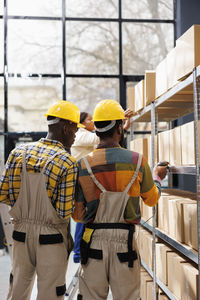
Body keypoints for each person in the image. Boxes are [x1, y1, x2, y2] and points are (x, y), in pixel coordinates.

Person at [72, 99, 167, 300]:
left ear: (96, 129)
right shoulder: (137, 161)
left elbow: (78, 215)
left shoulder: (82, 165)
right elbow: (151, 199)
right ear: (119, 128)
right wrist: (158, 177)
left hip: (92, 244)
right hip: (125, 244)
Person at [0, 100, 82, 300]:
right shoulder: (67, 162)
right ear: (65, 128)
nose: (75, 136)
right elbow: (64, 212)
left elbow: (3, 194)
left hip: (20, 235)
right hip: (51, 239)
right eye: (74, 130)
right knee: (50, 294)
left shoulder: (17, 153)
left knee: (18, 290)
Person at [71, 109, 134, 263]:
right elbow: (103, 137)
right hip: (82, 180)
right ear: (81, 123)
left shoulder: (86, 135)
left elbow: (108, 137)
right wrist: (117, 119)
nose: (92, 122)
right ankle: (78, 253)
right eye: (89, 120)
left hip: (88, 177)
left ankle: (80, 251)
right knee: (82, 218)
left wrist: (122, 125)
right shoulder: (81, 135)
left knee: (85, 216)